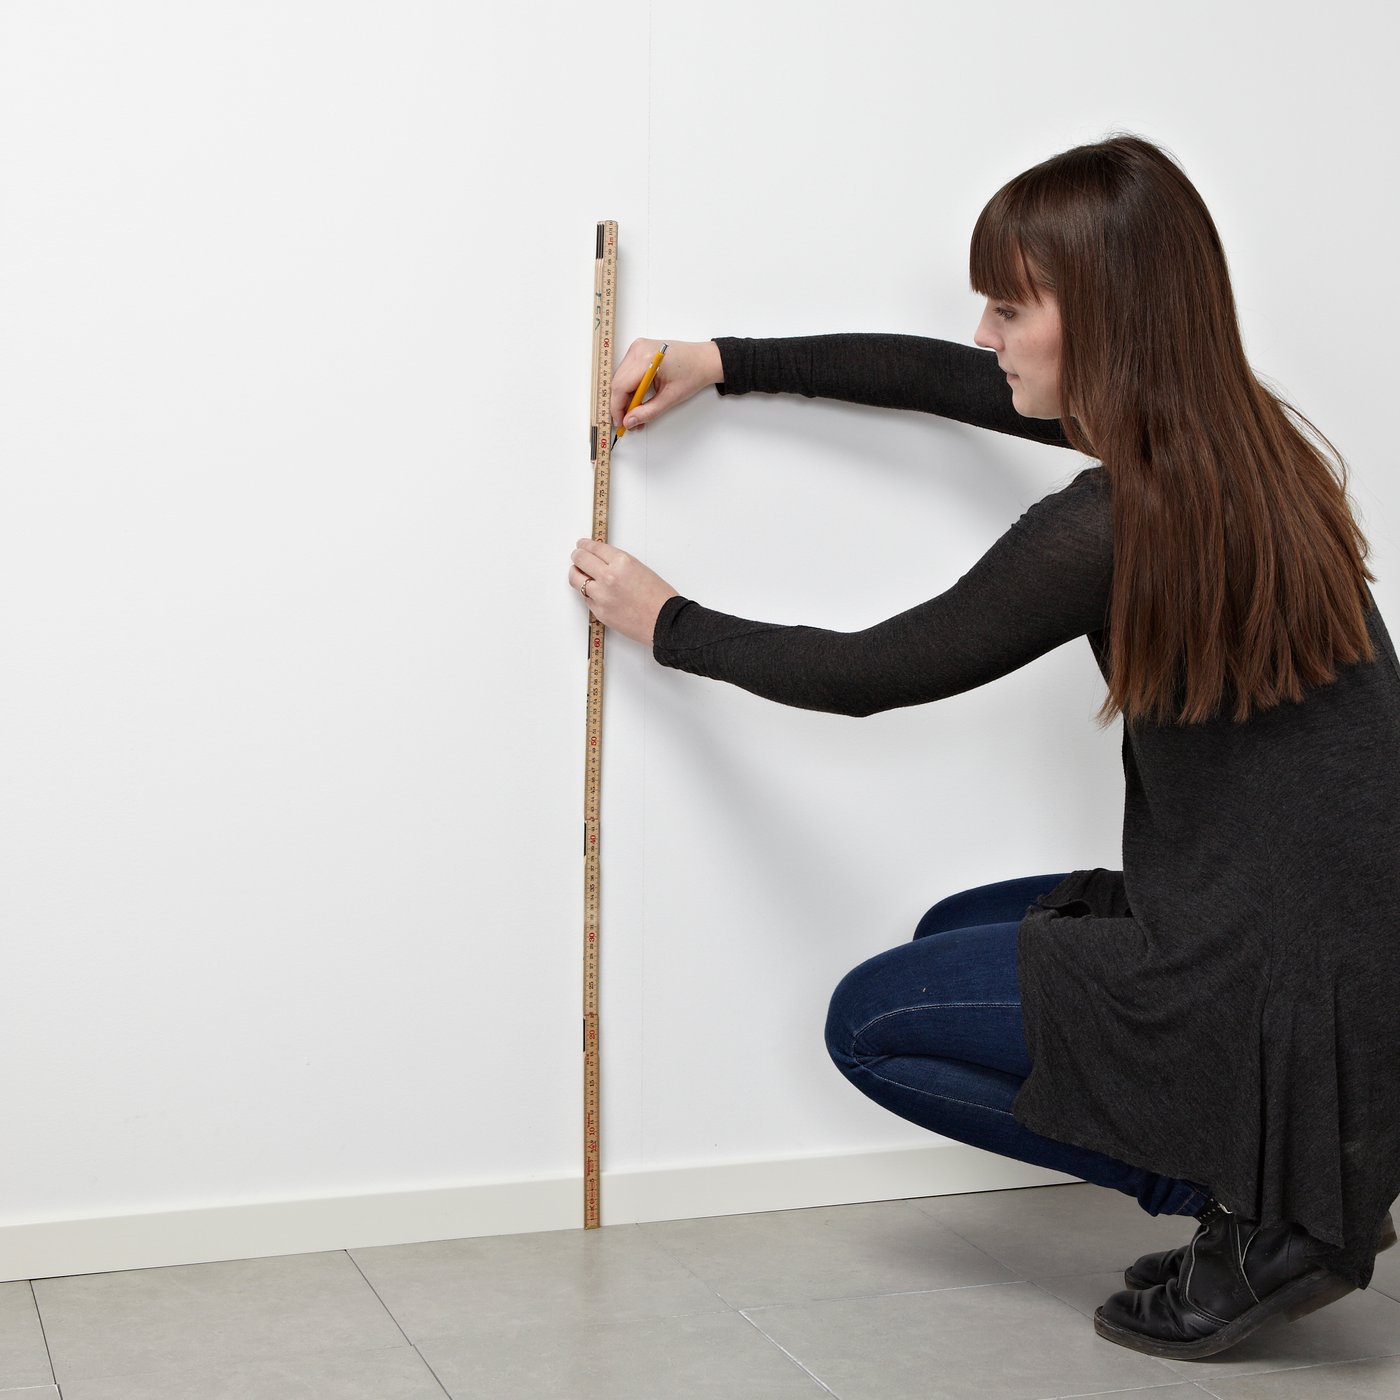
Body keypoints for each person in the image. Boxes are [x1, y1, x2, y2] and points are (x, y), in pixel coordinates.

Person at [565, 133, 1400, 1361]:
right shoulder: (1239, 445)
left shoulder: (1122, 517)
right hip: (1335, 950)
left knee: (871, 1020)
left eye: (1010, 306)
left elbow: (875, 672)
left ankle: (1266, 1216)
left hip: (1262, 974)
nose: (982, 333)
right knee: (954, 923)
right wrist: (722, 362)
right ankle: (1278, 1185)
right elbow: (952, 384)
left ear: (1105, 320)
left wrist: (665, 620)